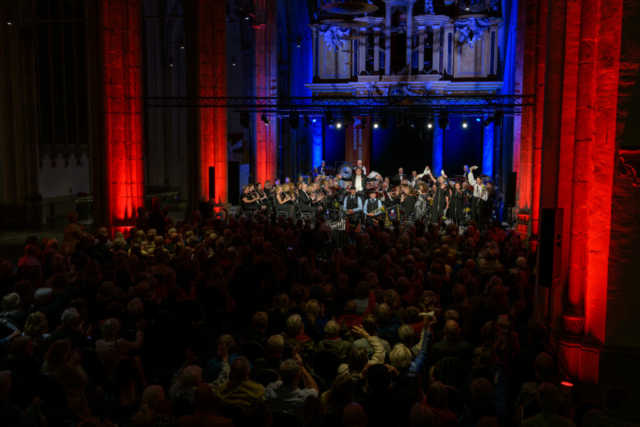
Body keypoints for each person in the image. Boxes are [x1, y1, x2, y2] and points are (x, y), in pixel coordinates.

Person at [265, 347, 319, 419]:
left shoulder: (270, 389)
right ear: (297, 376)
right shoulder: (305, 397)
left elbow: (281, 378)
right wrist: (301, 367)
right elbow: (314, 388)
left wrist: (290, 364)